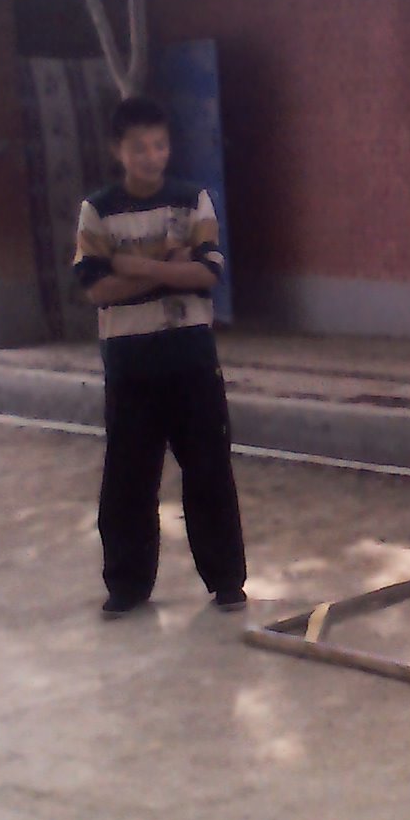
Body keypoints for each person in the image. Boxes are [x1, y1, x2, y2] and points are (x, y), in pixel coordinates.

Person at [73, 96, 248, 617]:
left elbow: (208, 273)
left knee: (209, 470)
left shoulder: (192, 199)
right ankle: (127, 585)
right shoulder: (97, 210)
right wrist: (170, 268)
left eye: (160, 146)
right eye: (140, 148)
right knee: (128, 479)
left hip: (191, 359)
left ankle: (226, 580)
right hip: (130, 365)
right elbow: (95, 289)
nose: (152, 157)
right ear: (118, 151)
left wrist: (134, 266)